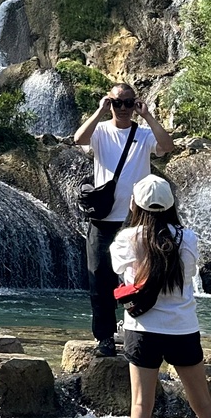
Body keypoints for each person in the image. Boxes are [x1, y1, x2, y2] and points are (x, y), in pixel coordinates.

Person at [110, 175, 211, 418]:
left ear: (134, 204)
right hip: (183, 329)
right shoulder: (188, 238)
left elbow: (122, 278)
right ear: (171, 206)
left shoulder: (126, 239)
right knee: (204, 405)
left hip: (142, 331)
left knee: (141, 406)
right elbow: (188, 275)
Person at [73, 83, 176, 358]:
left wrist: (149, 116)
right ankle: (104, 337)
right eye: (117, 103)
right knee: (99, 279)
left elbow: (167, 146)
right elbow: (78, 139)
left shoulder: (143, 134)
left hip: (136, 219)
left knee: (140, 278)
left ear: (135, 105)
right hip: (103, 218)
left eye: (128, 103)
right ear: (110, 103)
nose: (123, 108)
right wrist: (99, 112)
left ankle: (138, 330)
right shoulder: (101, 131)